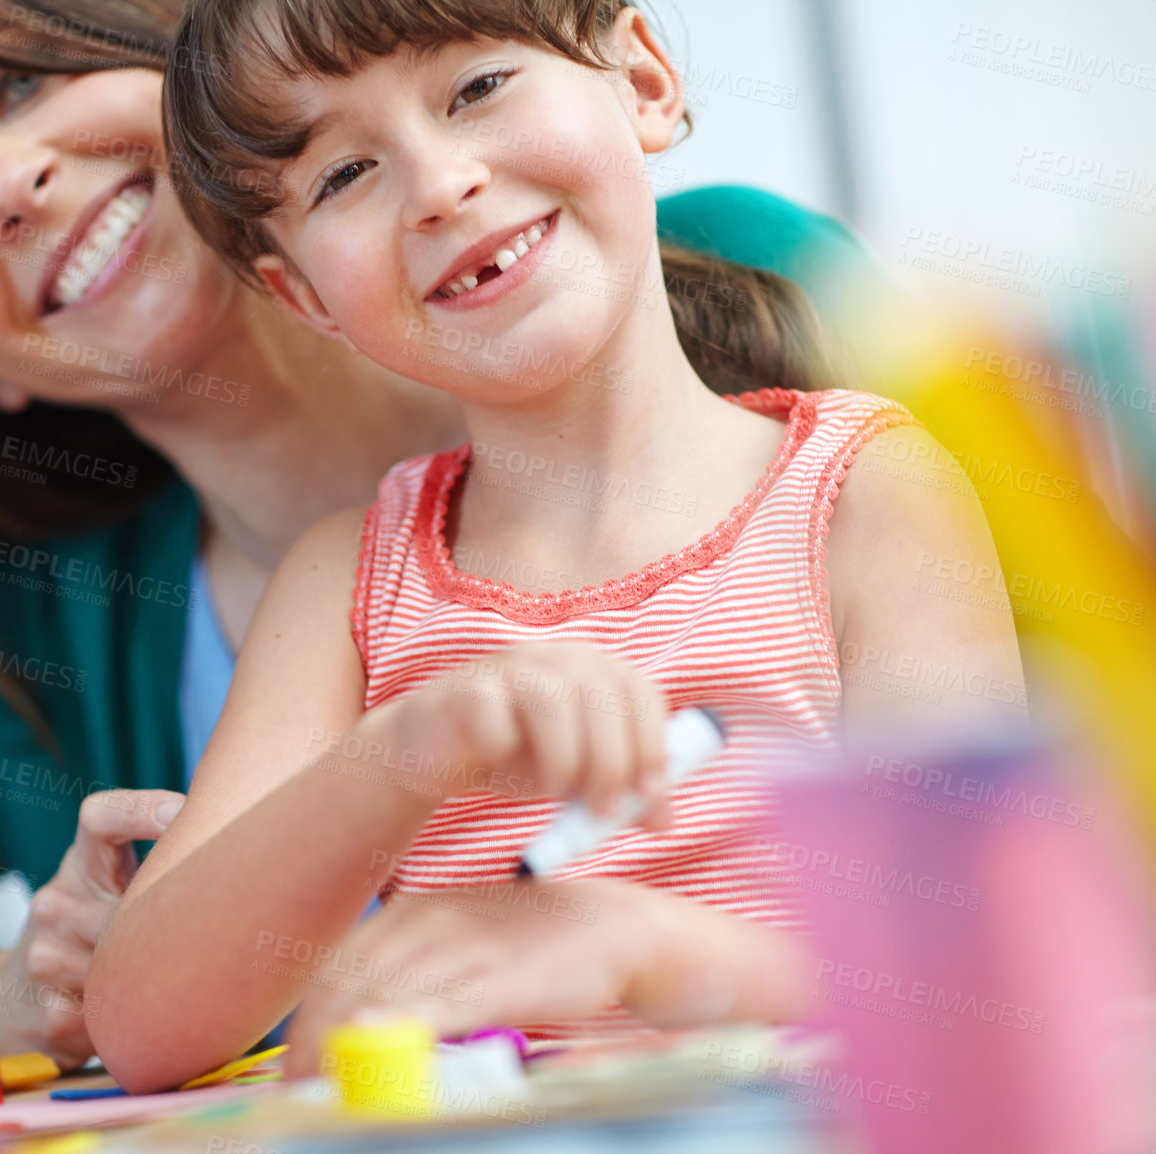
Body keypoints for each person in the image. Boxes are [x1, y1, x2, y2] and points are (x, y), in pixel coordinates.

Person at [0, 0, 875, 1067]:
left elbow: (1021, 838)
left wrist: (654, 948)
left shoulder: (795, 359)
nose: (7, 185)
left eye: (14, 85)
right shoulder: (0, 644)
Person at [86, 0, 1027, 1091]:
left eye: (476, 89)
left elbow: (972, 964)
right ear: (305, 297)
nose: (439, 186)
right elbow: (146, 1026)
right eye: (343, 174)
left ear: (642, 80)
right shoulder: (347, 579)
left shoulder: (868, 492)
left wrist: (636, 944)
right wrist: (408, 751)